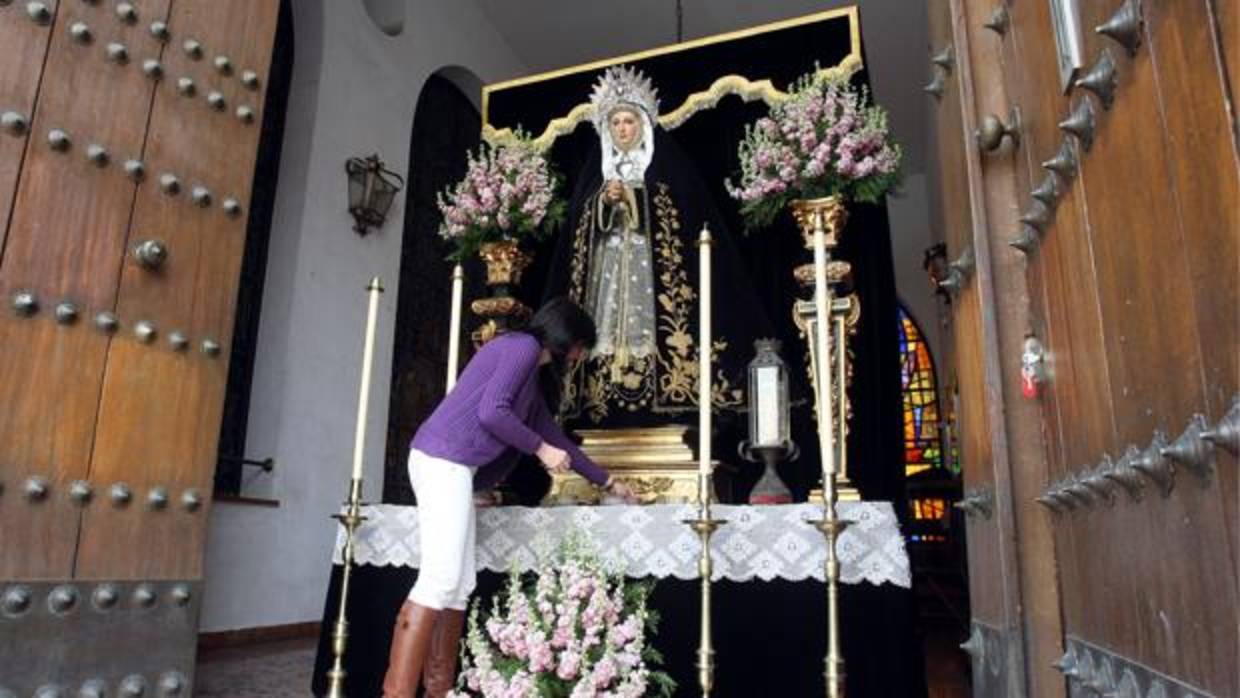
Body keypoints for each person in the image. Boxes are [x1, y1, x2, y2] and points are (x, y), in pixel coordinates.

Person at [382, 297, 635, 698]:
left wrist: (607, 482)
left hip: (454, 468)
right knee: (439, 579)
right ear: (567, 337)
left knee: (459, 584)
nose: (582, 355)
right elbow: (492, 412)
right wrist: (540, 449)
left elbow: (556, 438)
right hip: (442, 461)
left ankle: (437, 692)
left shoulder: (532, 378)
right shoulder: (522, 347)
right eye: (582, 345)